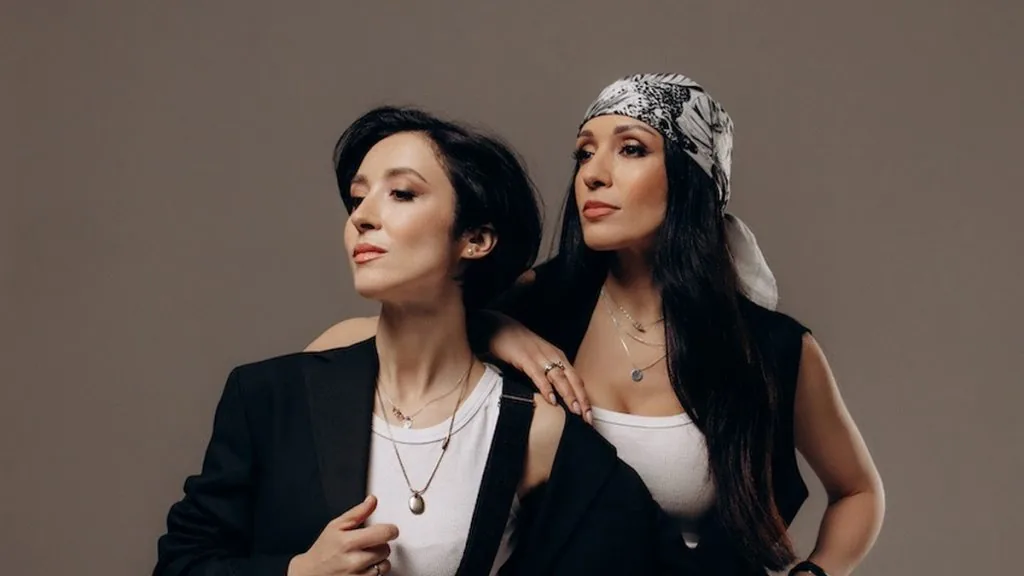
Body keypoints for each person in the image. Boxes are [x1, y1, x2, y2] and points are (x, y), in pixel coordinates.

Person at [306, 75, 886, 576]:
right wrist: (497, 328)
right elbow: (362, 345)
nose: (593, 175)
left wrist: (815, 573)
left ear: (692, 177)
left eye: (631, 149)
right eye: (584, 153)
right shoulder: (536, 305)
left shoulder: (770, 348)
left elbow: (858, 492)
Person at [154, 105, 700, 576]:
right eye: (357, 198)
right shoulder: (270, 397)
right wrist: (297, 572)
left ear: (476, 238)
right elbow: (180, 564)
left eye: (402, 193)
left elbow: (665, 562)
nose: (363, 218)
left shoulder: (535, 429)